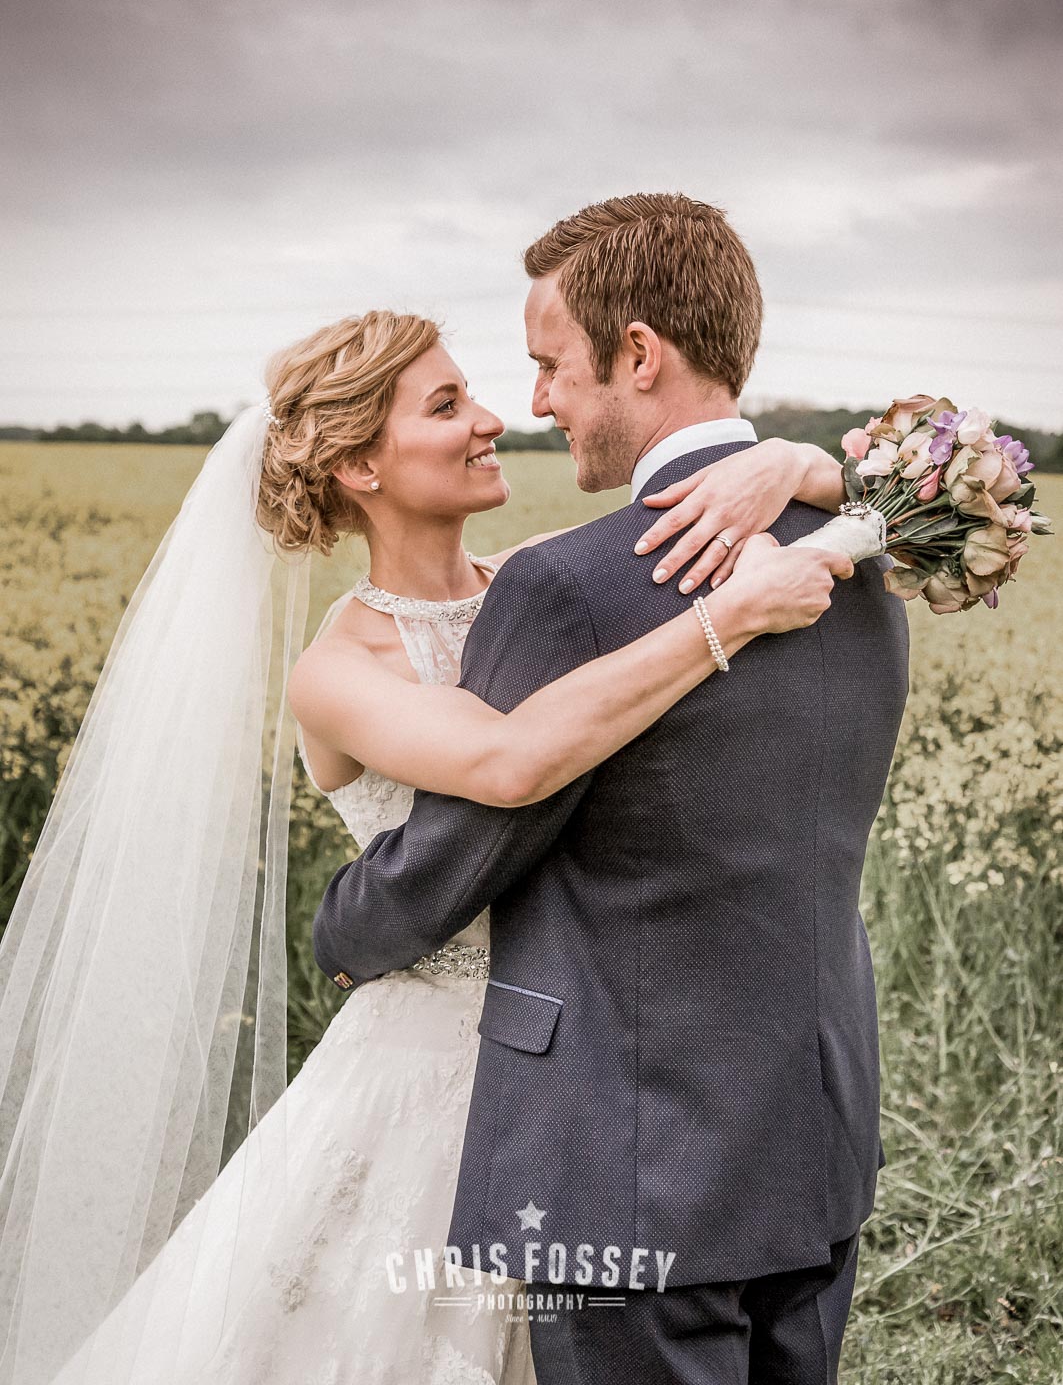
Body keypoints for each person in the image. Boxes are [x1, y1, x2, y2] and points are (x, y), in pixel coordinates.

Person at [0, 283, 852, 1385]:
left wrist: (782, 462)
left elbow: (809, 490)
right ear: (361, 464)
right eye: (447, 403)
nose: (494, 416)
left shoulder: (538, 581)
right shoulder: (340, 671)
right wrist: (723, 618)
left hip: (592, 1061)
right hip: (424, 1079)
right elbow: (509, 765)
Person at [314, 194, 911, 1385]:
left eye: (548, 365)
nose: (532, 404)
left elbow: (458, 852)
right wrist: (799, 464)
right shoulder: (861, 556)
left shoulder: (572, 589)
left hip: (630, 1166)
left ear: (637, 354)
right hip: (816, 1134)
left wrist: (341, 927)